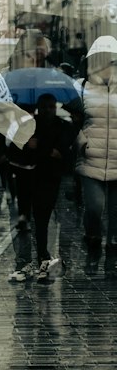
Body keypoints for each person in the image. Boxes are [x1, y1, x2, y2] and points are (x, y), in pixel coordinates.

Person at [8, 94, 75, 282]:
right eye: (43, 107)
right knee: (40, 216)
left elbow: (64, 150)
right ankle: (42, 254)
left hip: (51, 178)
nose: (47, 110)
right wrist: (28, 146)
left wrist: (50, 150)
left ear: (55, 107)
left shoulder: (63, 126)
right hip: (32, 177)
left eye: (50, 107)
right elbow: (14, 151)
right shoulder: (29, 125)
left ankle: (43, 253)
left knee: (43, 215)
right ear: (38, 108)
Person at [75, 34, 117, 251]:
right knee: (94, 207)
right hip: (91, 157)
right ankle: (91, 232)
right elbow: (68, 119)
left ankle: (113, 243)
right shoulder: (81, 87)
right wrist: (81, 141)